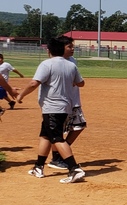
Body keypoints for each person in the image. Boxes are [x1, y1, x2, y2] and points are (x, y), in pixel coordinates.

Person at [16, 37, 86, 183]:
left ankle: (74, 169)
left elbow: (34, 82)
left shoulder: (46, 64)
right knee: (45, 136)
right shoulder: (71, 65)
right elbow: (81, 83)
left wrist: (21, 95)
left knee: (57, 138)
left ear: (49, 50)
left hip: (52, 107)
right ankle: (38, 166)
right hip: (63, 107)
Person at [48, 35, 87, 171]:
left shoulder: (72, 61)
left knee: (79, 126)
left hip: (74, 100)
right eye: (69, 46)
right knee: (58, 131)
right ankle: (56, 158)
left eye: (73, 47)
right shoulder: (53, 62)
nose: (72, 49)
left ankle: (61, 151)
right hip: (60, 102)